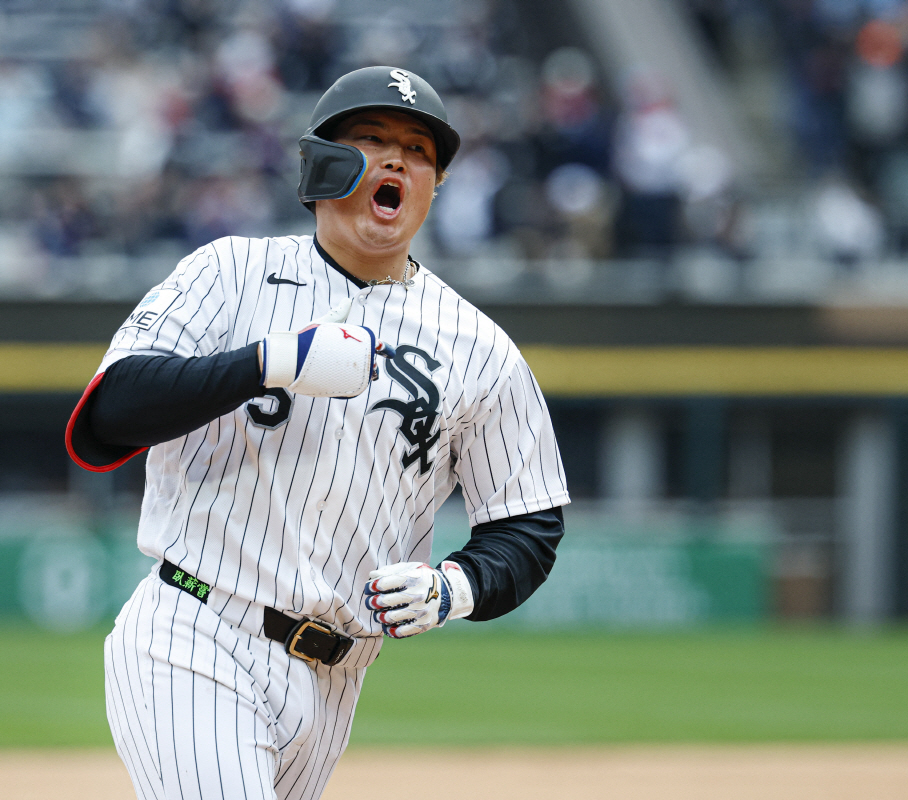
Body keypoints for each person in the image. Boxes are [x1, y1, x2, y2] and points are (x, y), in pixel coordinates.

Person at [66, 66, 569, 800]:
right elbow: (107, 417)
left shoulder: (479, 347)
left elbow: (529, 520)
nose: (399, 159)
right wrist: (267, 362)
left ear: (434, 186)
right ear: (322, 163)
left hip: (336, 680)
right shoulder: (230, 273)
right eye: (372, 139)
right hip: (198, 631)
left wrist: (455, 586)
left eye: (420, 152)